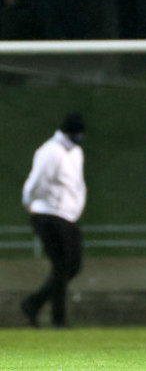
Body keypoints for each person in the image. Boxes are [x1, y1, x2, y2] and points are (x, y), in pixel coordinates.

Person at [20, 112, 86, 328]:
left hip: (67, 215)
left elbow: (77, 184)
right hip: (47, 213)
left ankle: (34, 303)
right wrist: (28, 202)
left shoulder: (76, 152)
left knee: (72, 266)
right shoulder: (50, 151)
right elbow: (35, 180)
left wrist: (76, 210)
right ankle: (58, 318)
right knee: (61, 266)